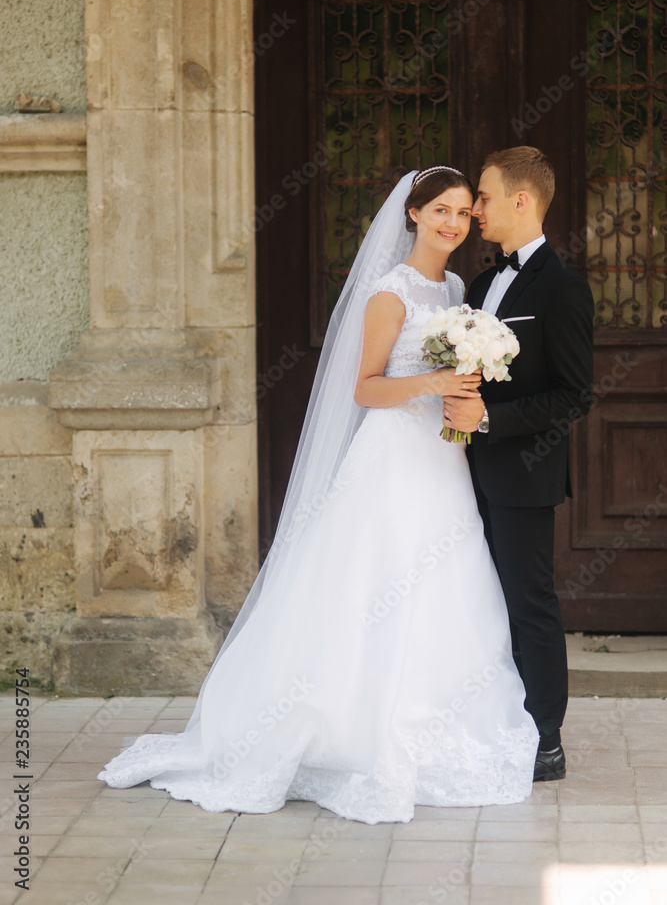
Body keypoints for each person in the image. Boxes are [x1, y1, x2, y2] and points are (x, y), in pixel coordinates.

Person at [98, 166, 539, 825]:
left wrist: (462, 387)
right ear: (412, 214)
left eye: (459, 212)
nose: (451, 223)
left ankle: (443, 716)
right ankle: (344, 728)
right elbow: (364, 387)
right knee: (373, 583)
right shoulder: (387, 294)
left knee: (446, 580)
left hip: (440, 461)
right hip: (390, 459)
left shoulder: (452, 286)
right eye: (438, 211)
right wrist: (431, 383)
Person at [440, 147, 594, 782]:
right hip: (459, 474)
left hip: (523, 475)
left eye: (483, 196)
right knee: (476, 599)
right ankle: (488, 721)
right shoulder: (481, 284)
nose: (476, 209)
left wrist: (491, 421)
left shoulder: (562, 287)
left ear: (521, 201)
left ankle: (546, 739)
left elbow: (574, 394)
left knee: (529, 601)